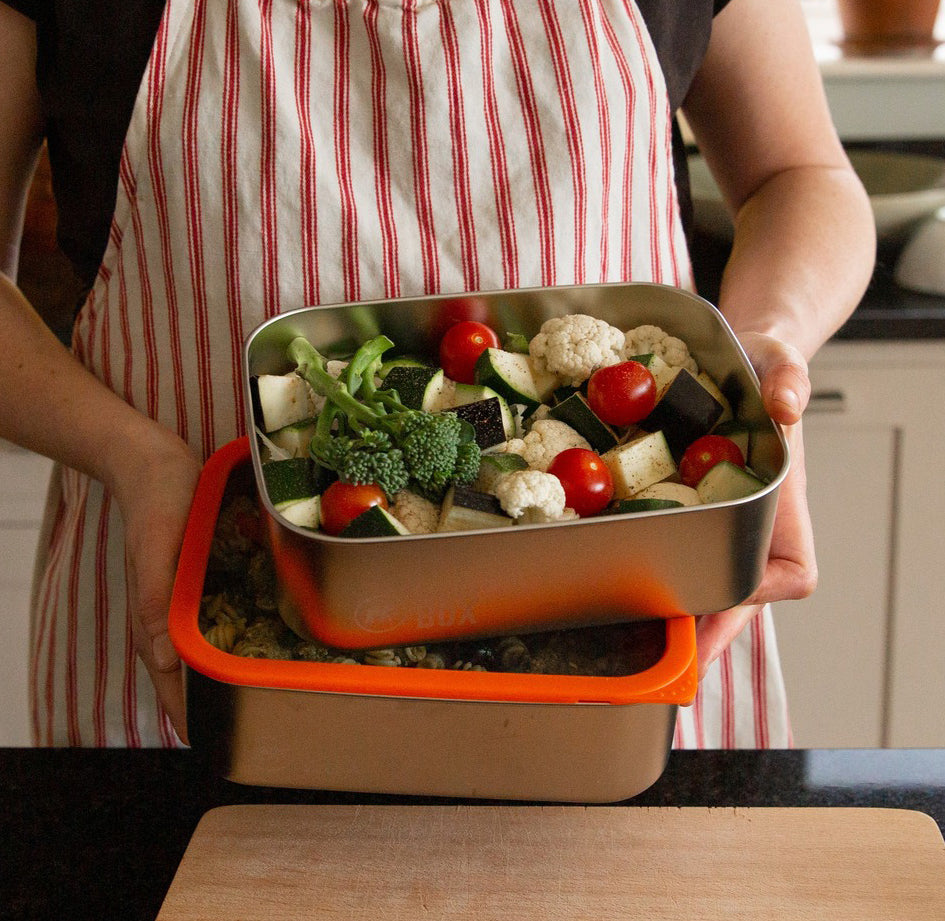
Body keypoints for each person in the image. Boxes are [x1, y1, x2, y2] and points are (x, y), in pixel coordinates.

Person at [0, 0, 875, 749]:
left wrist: (767, 343)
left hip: (621, 664)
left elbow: (796, 175)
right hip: (196, 641)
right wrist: (137, 458)